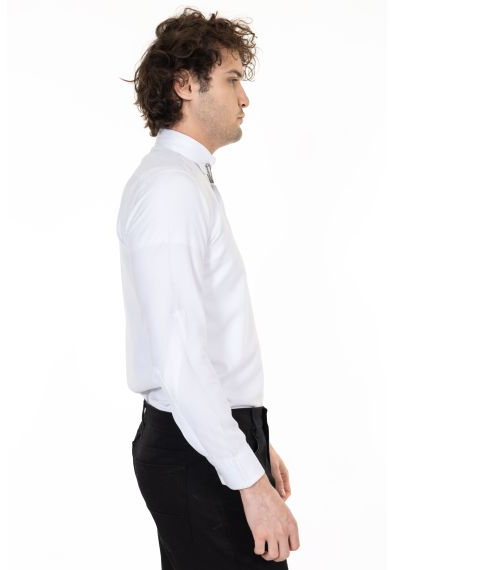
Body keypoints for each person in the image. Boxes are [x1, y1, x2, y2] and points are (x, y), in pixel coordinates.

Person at [116, 7, 300, 569]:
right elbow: (179, 357)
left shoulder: (186, 182)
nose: (245, 98)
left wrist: (252, 441)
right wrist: (249, 480)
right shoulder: (171, 190)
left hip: (206, 440)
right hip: (193, 453)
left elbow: (206, 338)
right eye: (232, 79)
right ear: (184, 85)